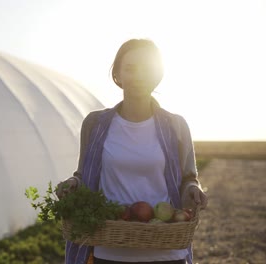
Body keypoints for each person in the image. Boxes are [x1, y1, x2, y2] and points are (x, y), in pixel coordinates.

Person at [56, 39, 208, 264]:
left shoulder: (175, 126)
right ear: (117, 74)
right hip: (110, 249)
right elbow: (83, 174)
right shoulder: (95, 125)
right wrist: (73, 184)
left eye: (147, 68)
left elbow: (188, 178)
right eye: (130, 68)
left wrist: (194, 189)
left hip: (165, 249)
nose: (139, 76)